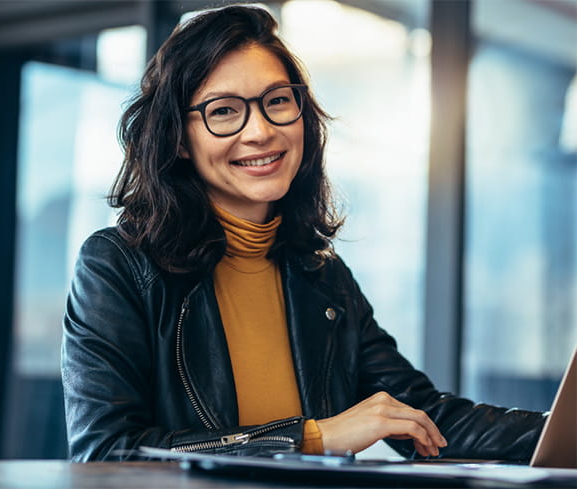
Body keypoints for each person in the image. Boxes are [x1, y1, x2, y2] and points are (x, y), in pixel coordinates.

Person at [61, 5, 545, 462]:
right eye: (225, 110)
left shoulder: (320, 272)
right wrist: (312, 437)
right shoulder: (117, 266)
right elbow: (108, 451)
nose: (260, 132)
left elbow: (421, 416)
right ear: (178, 139)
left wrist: (554, 428)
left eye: (277, 101)